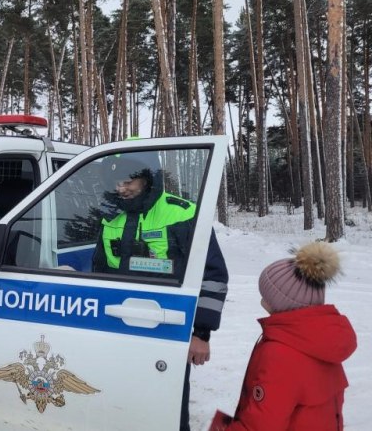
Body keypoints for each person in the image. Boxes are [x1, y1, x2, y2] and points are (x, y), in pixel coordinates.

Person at [91, 151, 229, 431]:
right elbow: (99, 273)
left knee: (169, 410)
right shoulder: (110, 219)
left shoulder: (183, 214)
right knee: (122, 405)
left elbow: (213, 275)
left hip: (167, 329)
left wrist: (201, 333)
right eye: (116, 182)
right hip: (119, 328)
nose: (121, 189)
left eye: (128, 181)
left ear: (147, 178)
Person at [214, 241, 357, 431]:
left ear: (283, 302)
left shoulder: (281, 352)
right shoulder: (321, 340)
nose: (262, 299)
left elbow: (260, 427)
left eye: (267, 295)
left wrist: (221, 428)